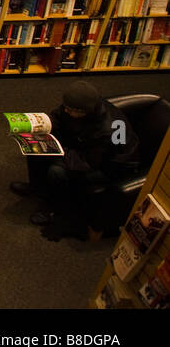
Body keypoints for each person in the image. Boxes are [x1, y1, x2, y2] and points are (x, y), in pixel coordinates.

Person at [10, 80, 140, 239]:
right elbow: (58, 117)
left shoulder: (107, 130)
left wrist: (57, 151)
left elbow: (89, 163)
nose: (66, 110)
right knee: (35, 148)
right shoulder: (78, 106)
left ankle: (53, 207)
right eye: (66, 107)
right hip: (86, 147)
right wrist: (41, 127)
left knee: (57, 170)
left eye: (70, 110)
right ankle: (37, 188)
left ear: (84, 111)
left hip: (109, 167)